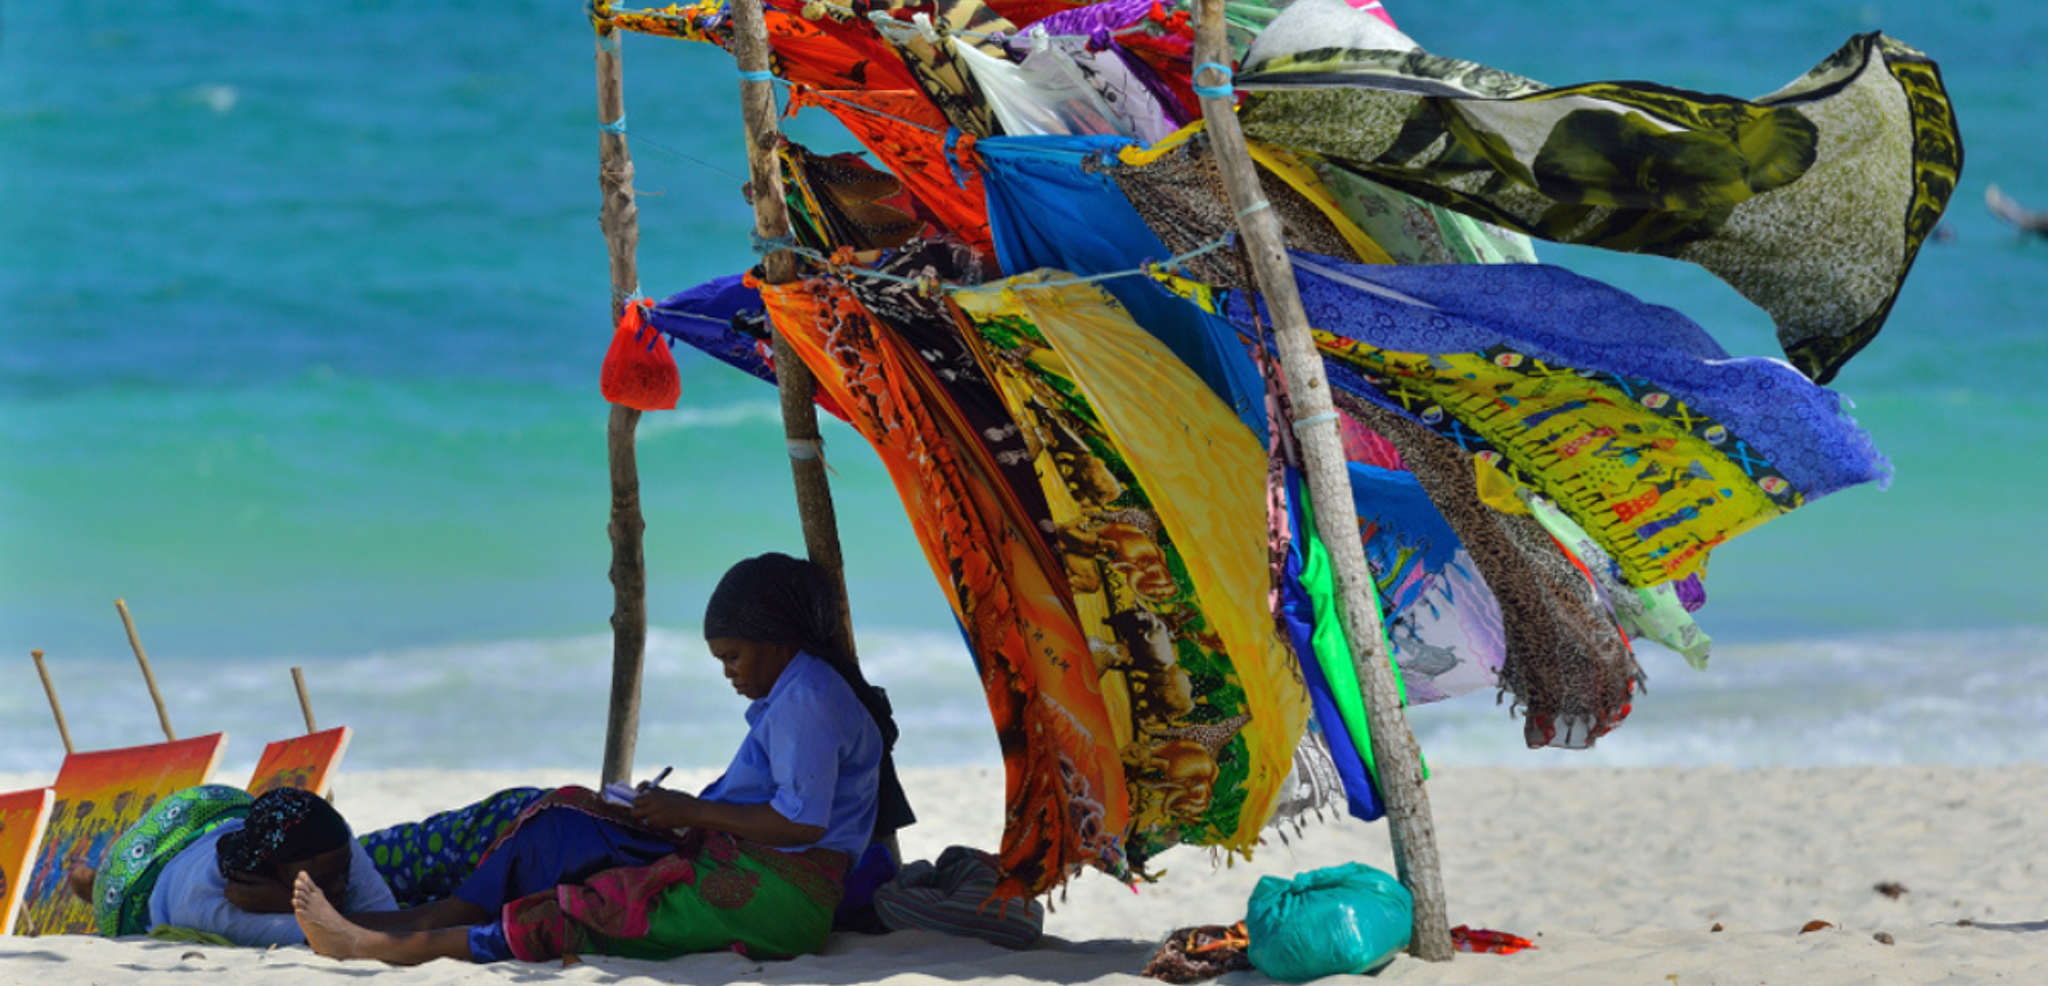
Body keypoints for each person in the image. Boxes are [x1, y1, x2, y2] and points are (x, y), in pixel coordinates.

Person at [293, 552, 913, 965]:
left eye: (734, 657)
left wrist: (690, 809)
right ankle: (419, 924)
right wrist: (681, 812)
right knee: (561, 815)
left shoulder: (807, 700)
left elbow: (800, 824)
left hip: (776, 897)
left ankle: (377, 942)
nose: (727, 673)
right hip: (754, 869)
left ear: (780, 642)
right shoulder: (801, 688)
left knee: (588, 910)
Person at [68, 785, 397, 945]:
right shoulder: (217, 907)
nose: (341, 886)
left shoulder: (329, 841)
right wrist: (291, 903)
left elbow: (388, 916)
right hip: (136, 872)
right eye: (326, 880)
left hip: (210, 812)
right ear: (274, 869)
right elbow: (346, 934)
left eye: (344, 872)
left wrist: (289, 900)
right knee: (109, 891)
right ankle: (89, 881)